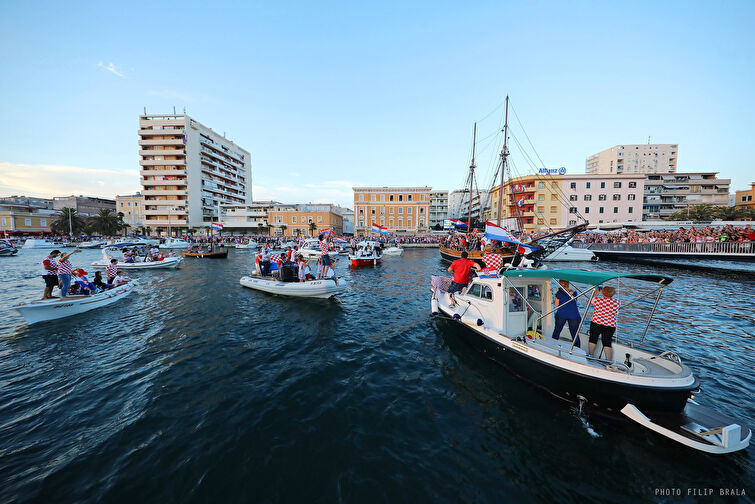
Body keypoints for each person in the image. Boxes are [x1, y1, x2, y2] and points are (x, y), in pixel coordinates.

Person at [589, 286, 620, 362]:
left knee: (593, 339)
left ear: (602, 292)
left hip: (597, 322)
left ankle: (590, 355)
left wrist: (596, 293)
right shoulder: (617, 302)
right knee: (607, 342)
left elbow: (590, 301)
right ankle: (608, 361)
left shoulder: (596, 300)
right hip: (610, 325)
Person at [550, 280, 582, 348]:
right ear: (568, 284)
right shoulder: (574, 292)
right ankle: (577, 349)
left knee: (557, 331)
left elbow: (556, 304)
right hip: (574, 315)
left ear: (560, 284)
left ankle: (552, 346)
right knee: (574, 334)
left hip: (562, 314)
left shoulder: (559, 293)